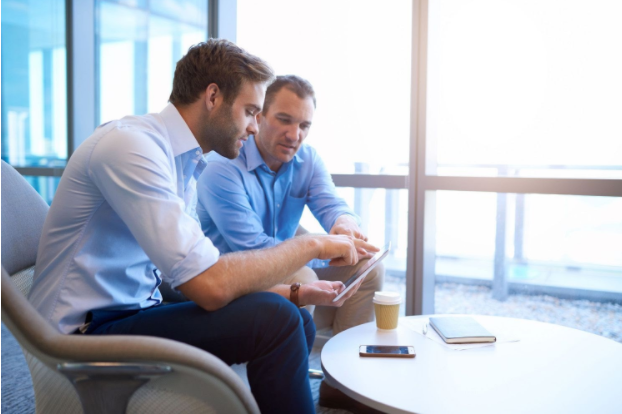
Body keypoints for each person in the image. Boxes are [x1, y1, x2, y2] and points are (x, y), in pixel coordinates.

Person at [28, 39, 377, 414]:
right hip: (80, 338)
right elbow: (209, 285)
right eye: (250, 111)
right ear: (213, 97)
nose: (254, 126)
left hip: (134, 311)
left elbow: (180, 278)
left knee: (295, 319)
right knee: (277, 322)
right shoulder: (131, 147)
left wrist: (296, 293)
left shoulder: (182, 162)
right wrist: (313, 245)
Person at [195, 75, 385, 410]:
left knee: (367, 266)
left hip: (287, 262)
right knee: (303, 276)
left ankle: (341, 384)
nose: (294, 134)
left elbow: (334, 205)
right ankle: (281, 381)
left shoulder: (306, 160)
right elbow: (256, 250)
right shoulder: (222, 168)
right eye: (284, 120)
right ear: (259, 116)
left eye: (304, 125)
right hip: (236, 277)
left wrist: (345, 228)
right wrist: (323, 252)